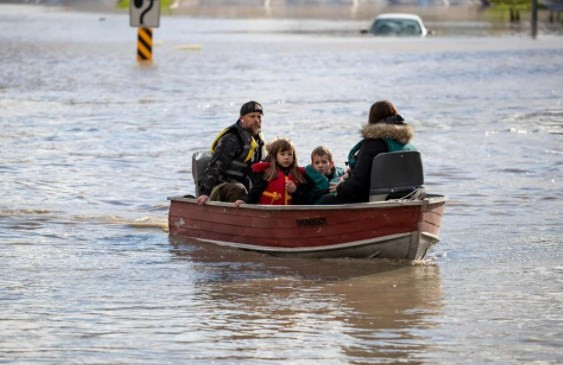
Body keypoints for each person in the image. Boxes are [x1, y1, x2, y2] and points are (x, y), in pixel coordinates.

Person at [320, 100, 416, 204]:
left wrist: (341, 187)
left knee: (324, 199)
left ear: (372, 119)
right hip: (406, 193)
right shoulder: (408, 145)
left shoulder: (372, 144)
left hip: (373, 198)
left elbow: (358, 183)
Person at [197, 101, 266, 205]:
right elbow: (215, 166)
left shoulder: (259, 142)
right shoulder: (231, 139)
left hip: (246, 188)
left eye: (259, 117)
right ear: (242, 118)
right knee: (238, 189)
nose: (256, 120)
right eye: (252, 116)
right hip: (221, 187)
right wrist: (205, 192)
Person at [234, 138, 307, 207]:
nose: (286, 157)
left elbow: (305, 200)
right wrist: (244, 200)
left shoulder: (299, 174)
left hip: (290, 214)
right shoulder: (266, 173)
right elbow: (255, 192)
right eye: (282, 154)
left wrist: (295, 191)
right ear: (275, 156)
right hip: (269, 212)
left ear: (293, 156)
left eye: (290, 154)